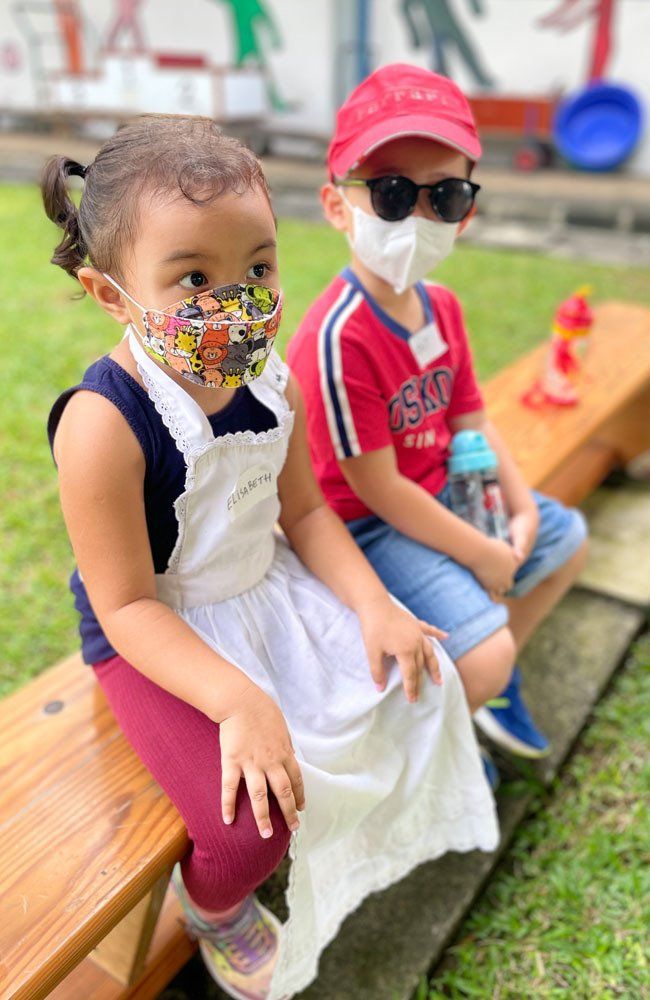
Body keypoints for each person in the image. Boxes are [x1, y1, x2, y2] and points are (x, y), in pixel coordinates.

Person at [42, 115, 498, 1000]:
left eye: (257, 267)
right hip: (153, 628)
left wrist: (375, 606)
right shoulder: (103, 427)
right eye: (194, 278)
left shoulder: (271, 377)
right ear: (111, 293)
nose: (238, 299)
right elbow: (128, 606)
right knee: (246, 833)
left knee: (414, 674)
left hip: (261, 585)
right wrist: (238, 698)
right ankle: (212, 909)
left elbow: (306, 513)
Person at [286, 64, 589, 779]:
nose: (418, 218)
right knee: (486, 650)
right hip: (366, 526)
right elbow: (382, 492)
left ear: (467, 209)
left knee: (564, 537)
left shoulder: (442, 306)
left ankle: (477, 695)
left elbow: (471, 420)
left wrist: (517, 514)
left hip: (444, 494)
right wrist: (483, 554)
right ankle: (437, 750)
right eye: (391, 193)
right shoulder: (339, 337)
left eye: (444, 195)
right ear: (337, 205)